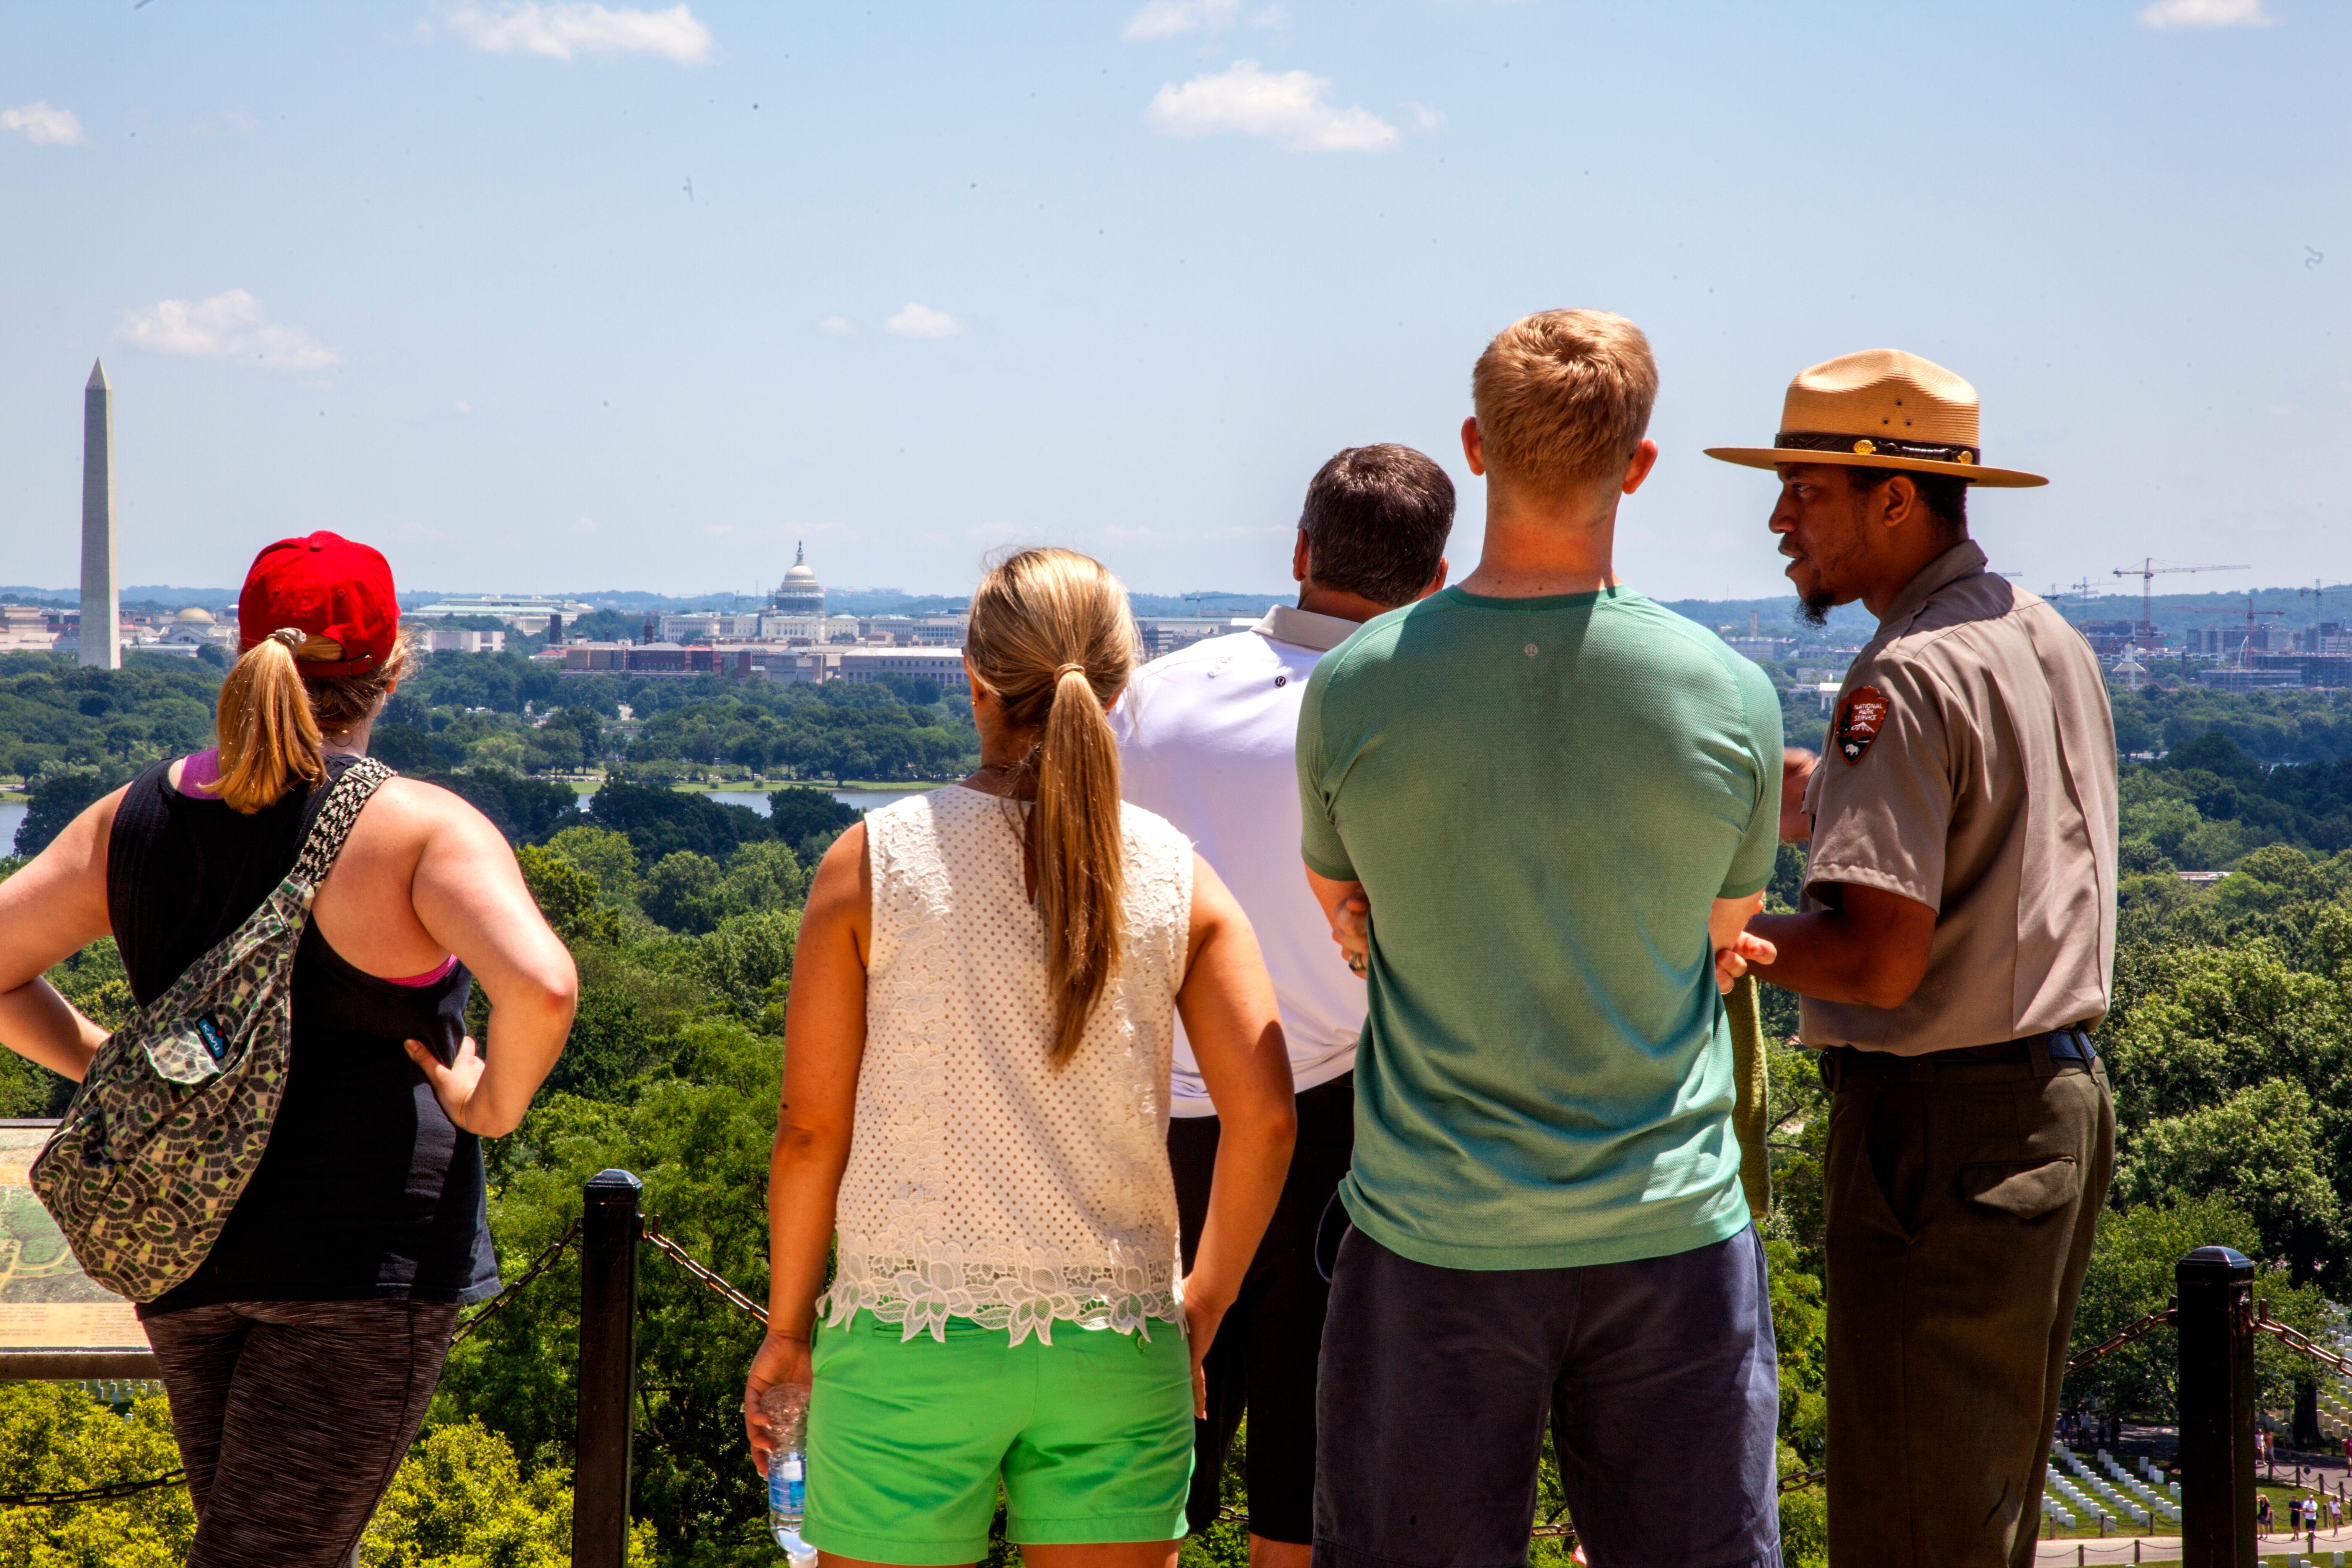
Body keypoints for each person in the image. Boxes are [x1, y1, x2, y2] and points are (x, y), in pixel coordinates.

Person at [1299, 311, 1785, 1568]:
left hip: (1430, 1234)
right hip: (1670, 1227)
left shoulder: (1355, 685)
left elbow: (1347, 910)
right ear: (1638, 464)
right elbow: (1719, 935)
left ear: (1472, 447)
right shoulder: (1728, 693)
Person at [0, 531, 577, 1568]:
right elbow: (541, 983)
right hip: (362, 1263)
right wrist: (493, 1103)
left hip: (183, 1244)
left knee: (276, 1543)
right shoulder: (416, 831)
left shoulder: (133, 819)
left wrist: (107, 1062)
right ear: (392, 670)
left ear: (242, 655)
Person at [742, 547, 1300, 1568]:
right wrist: (1203, 1300)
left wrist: (786, 1333)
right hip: (1119, 1343)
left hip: (908, 1343)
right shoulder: (1178, 875)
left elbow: (812, 1130)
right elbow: (1265, 1120)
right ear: (1122, 685)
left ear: (976, 682)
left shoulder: (874, 860)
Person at [1714, 350, 2118, 1568]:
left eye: (1805, 488)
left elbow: (1878, 960)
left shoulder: (1903, 673)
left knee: (1906, 1521)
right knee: (1977, 1513)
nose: (1781, 518)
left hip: (1938, 1133)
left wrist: (1713, 931)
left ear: (1895, 494)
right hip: (2049, 1107)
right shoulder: (2039, 635)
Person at [1112, 444, 1452, 1567]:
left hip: (1141, 1126)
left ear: (1301, 551)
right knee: (1299, 1496)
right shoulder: (1425, 725)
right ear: (1437, 580)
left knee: (1136, 1485)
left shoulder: (1157, 696)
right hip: (1332, 1129)